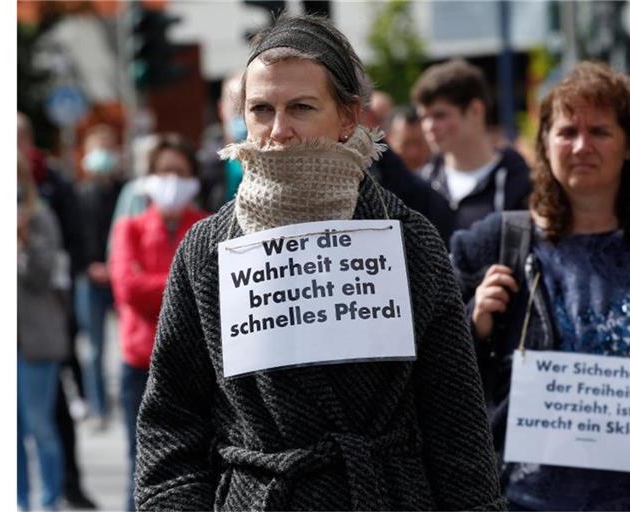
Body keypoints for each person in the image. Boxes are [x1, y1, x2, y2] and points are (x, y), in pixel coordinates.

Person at [135, 14, 504, 511]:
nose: (278, 131)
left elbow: (455, 421)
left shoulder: (408, 240)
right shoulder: (206, 250)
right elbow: (171, 422)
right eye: (260, 110)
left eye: (301, 107)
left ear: (349, 116)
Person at [450, 62, 630, 510]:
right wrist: (473, 323)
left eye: (600, 131)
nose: (582, 146)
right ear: (545, 144)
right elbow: (434, 374)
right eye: (567, 132)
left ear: (628, 145)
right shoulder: (494, 244)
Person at [109, 134, 208, 511]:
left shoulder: (205, 226)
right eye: (164, 171)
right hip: (140, 360)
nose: (171, 180)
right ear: (149, 178)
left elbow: (212, 289)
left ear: (194, 180)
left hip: (194, 365)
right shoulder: (129, 228)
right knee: (141, 461)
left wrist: (159, 284)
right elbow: (128, 289)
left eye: (180, 172)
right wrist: (184, 284)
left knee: (193, 462)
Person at [18, 113, 98, 509]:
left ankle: (58, 492)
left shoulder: (43, 205)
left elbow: (47, 267)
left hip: (42, 330)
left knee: (44, 424)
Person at [412, 58, 533, 231]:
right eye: (423, 117)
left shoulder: (520, 183)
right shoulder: (423, 182)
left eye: (440, 115)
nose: (429, 126)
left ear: (476, 110)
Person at [17, 155, 69, 511]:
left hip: (35, 342)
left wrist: (20, 240)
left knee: (41, 428)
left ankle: (50, 500)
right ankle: (18, 499)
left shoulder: (41, 219)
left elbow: (41, 275)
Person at [74, 124, 125, 430]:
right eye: (98, 149)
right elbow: (74, 236)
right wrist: (90, 265)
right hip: (89, 277)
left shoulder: (125, 189)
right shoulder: (79, 193)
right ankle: (99, 407)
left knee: (126, 344)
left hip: (119, 275)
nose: (103, 156)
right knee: (94, 349)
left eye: (108, 148)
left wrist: (114, 265)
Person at [200, 70, 248, 212]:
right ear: (221, 109)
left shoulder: (276, 159)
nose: (244, 116)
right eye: (237, 109)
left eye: (252, 107)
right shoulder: (204, 168)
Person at [386, 105, 432, 173]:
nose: (413, 153)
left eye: (419, 143)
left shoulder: (445, 178)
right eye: (405, 144)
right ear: (388, 141)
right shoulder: (374, 179)